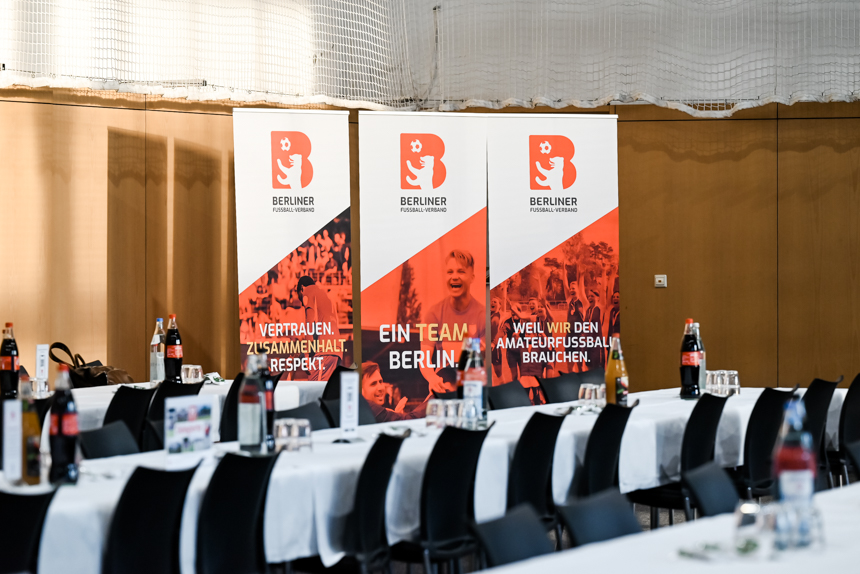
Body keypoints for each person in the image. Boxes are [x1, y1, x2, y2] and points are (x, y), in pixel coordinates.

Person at [419, 249, 486, 395]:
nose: (454, 277)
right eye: (450, 272)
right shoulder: (434, 314)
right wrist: (432, 378)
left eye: (461, 272)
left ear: (472, 277)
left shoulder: (483, 315)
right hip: (443, 387)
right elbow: (424, 359)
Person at [296, 276, 342, 381]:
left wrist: (307, 356)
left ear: (302, 288)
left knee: (314, 388)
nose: (301, 301)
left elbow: (309, 326)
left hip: (324, 352)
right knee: (324, 390)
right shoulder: (326, 296)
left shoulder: (307, 293)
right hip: (337, 350)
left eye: (299, 295)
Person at [584, 289, 605, 370]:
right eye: (588, 296)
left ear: (598, 298)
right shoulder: (587, 310)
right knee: (588, 367)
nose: (590, 298)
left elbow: (603, 292)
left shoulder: (600, 309)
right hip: (586, 343)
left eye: (592, 296)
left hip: (596, 343)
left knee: (596, 368)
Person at [490, 297, 503, 379]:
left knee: (498, 372)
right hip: (485, 344)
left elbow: (498, 332)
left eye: (495, 302)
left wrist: (494, 343)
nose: (493, 303)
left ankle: (504, 388)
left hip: (495, 345)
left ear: (499, 305)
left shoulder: (499, 316)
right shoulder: (488, 315)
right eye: (492, 301)